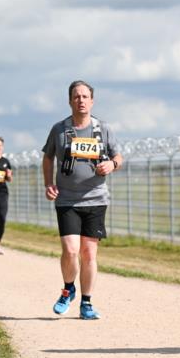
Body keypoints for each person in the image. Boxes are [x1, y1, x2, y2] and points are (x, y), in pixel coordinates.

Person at [42, 80, 123, 320]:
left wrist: (112, 164)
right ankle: (68, 289)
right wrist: (48, 184)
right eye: (76, 96)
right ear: (69, 101)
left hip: (95, 199)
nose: (81, 100)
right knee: (70, 250)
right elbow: (47, 159)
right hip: (67, 199)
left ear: (92, 100)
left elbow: (118, 155)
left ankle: (86, 303)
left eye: (85, 96)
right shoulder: (59, 129)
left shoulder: (103, 128)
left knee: (88, 254)